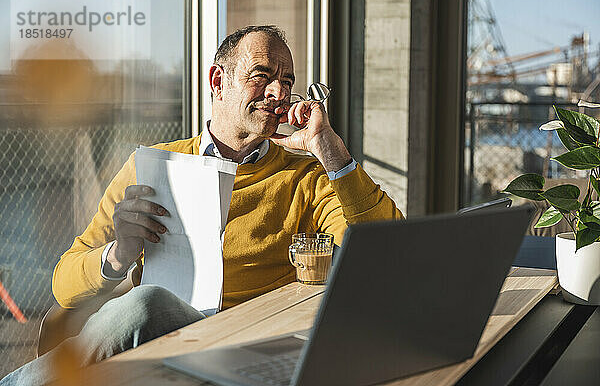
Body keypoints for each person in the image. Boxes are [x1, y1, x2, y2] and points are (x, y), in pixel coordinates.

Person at [1, 25, 403, 385]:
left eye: (287, 81)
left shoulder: (307, 176)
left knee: (146, 302)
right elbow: (64, 285)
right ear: (218, 80)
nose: (278, 93)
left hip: (251, 349)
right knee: (147, 305)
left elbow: (388, 252)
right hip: (164, 349)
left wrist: (330, 152)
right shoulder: (153, 166)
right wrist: (118, 256)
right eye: (262, 76)